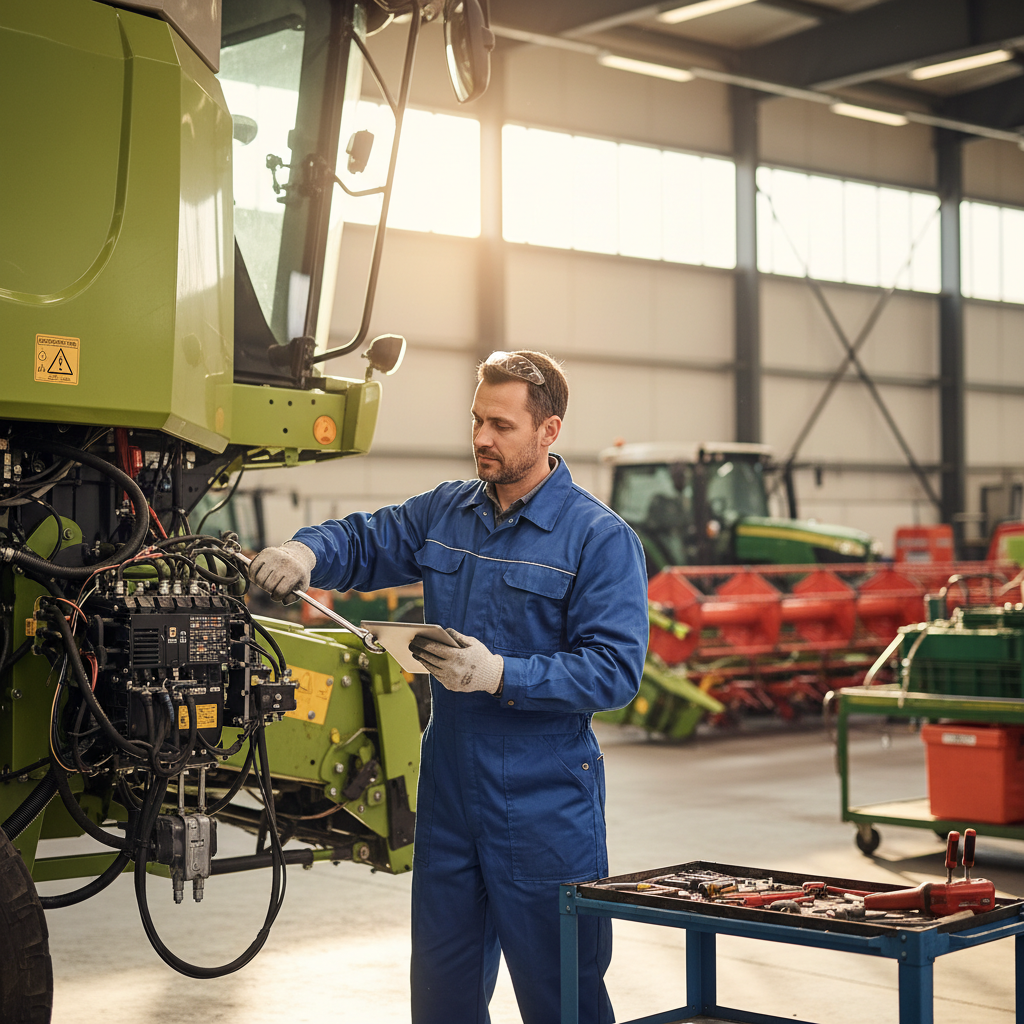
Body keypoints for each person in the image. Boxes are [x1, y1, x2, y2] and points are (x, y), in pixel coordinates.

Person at [250, 350, 649, 1024]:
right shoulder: (449, 510)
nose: (482, 439)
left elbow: (614, 670)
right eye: (476, 421)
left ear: (549, 431)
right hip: (451, 791)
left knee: (563, 996)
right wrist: (307, 551)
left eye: (502, 425)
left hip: (544, 796)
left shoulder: (598, 540)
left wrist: (502, 673)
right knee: (442, 992)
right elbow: (370, 539)